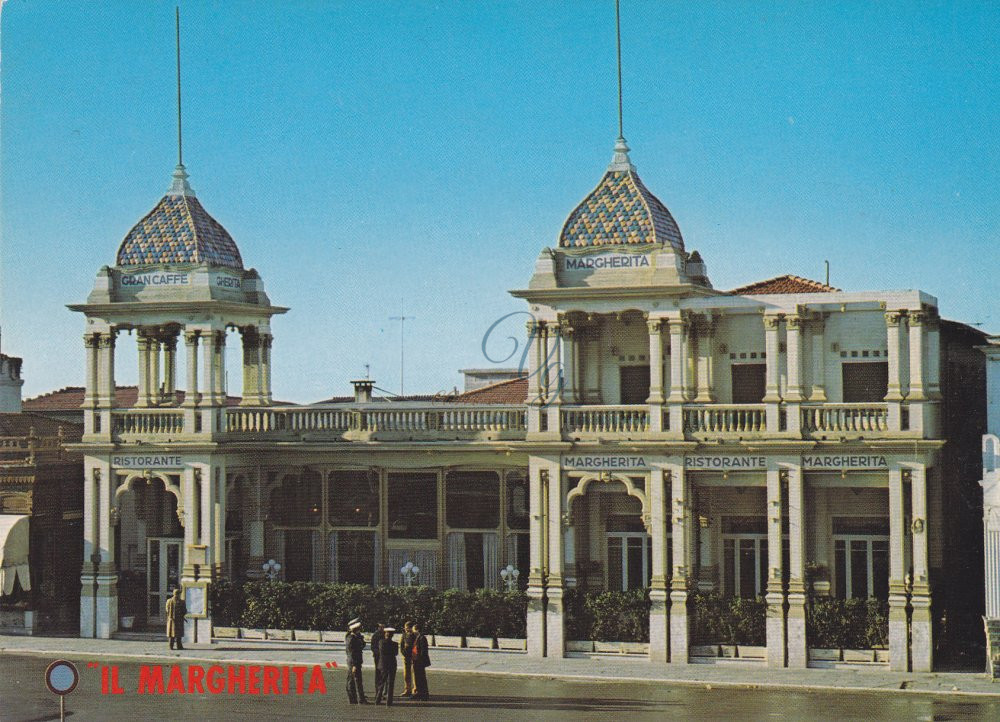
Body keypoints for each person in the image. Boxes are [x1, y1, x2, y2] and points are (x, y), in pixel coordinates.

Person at [345, 619, 369, 704]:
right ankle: (356, 699)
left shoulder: (355, 637)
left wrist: (360, 638)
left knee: (356, 680)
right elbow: (352, 652)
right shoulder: (351, 639)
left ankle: (357, 698)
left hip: (356, 662)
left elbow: (362, 646)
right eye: (359, 629)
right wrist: (354, 665)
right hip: (353, 662)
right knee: (353, 681)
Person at [375, 627, 399, 706]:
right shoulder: (395, 644)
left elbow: (381, 651)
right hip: (392, 664)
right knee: (390, 683)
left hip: (383, 664)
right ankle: (389, 701)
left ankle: (378, 699)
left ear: (385, 634)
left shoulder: (381, 642)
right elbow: (396, 653)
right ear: (392, 635)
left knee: (381, 682)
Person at [411, 622, 431, 701]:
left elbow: (423, 651)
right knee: (418, 678)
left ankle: (423, 694)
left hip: (419, 661)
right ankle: (420, 693)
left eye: (413, 630)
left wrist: (420, 659)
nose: (413, 632)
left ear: (417, 630)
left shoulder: (422, 638)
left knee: (421, 678)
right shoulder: (418, 637)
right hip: (416, 660)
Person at [400, 621, 416, 697]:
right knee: (406, 674)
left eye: (408, 629)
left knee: (414, 674)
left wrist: (414, 655)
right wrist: (403, 653)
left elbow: (416, 646)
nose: (406, 630)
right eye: (405, 628)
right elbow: (401, 645)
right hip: (406, 656)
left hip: (413, 656)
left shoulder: (415, 635)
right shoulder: (404, 635)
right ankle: (407, 689)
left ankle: (415, 689)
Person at [371, 623, 385, 702]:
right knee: (378, 675)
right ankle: (378, 692)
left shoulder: (384, 634)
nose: (383, 628)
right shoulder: (375, 635)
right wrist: (379, 654)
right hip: (378, 657)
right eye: (381, 627)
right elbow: (373, 647)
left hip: (383, 658)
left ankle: (381, 692)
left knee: (383, 675)